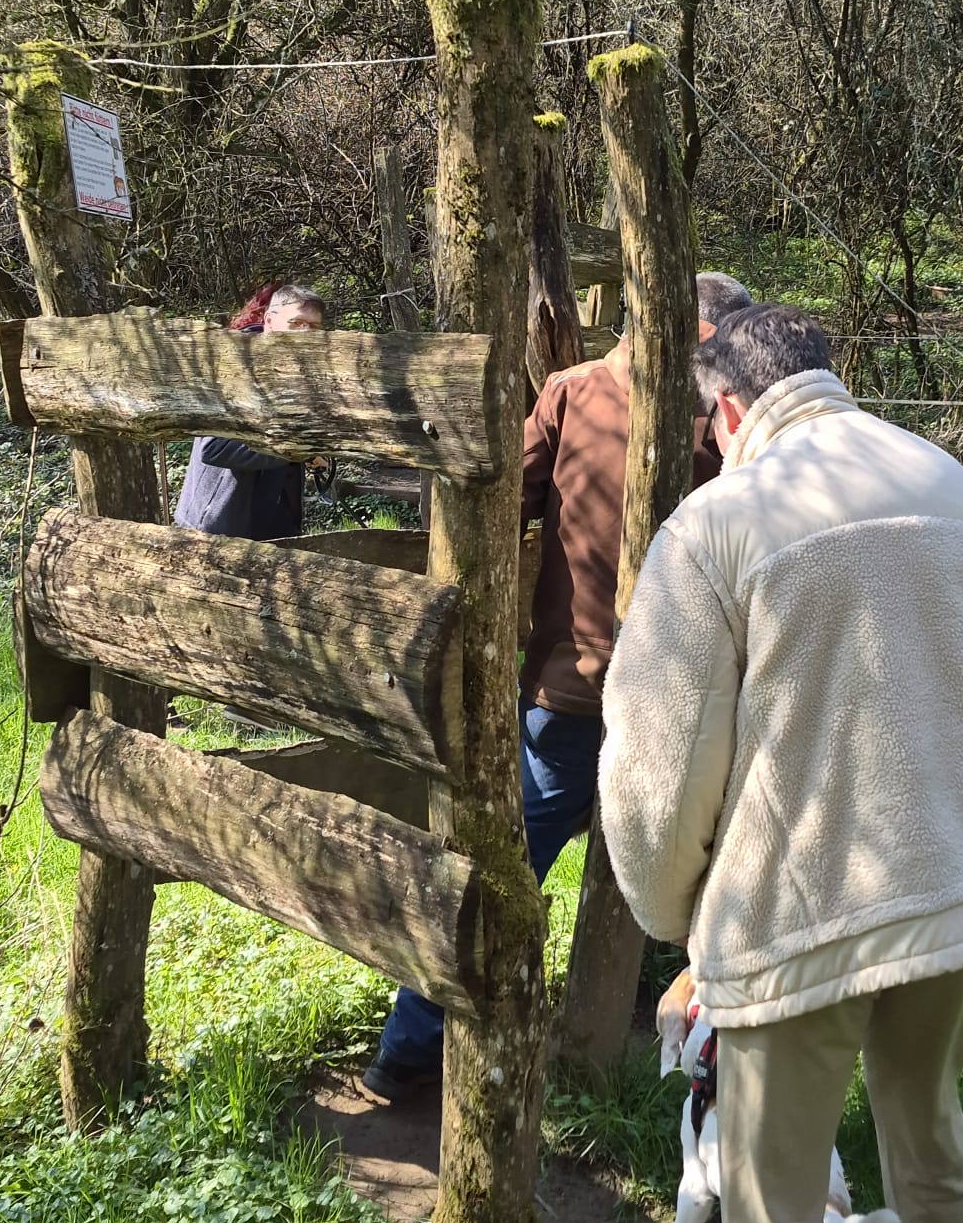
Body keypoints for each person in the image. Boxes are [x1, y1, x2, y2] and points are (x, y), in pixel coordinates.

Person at [598, 305, 963, 1223]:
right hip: (962, 880)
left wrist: (677, 916)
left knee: (775, 1201)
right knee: (932, 1139)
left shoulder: (718, 523)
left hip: (797, 904)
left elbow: (658, 771)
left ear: (729, 409)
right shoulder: (950, 483)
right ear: (824, 375)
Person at [361, 269, 755, 1104]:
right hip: (678, 698)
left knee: (498, 866)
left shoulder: (574, 391)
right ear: (708, 336)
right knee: (714, 852)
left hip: (569, 686)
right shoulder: (726, 422)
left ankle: (408, 1048)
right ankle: (708, 1044)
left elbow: (499, 502)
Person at [172, 283, 326, 540]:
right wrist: (294, 450)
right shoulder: (234, 366)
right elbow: (215, 448)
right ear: (269, 321)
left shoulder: (298, 372)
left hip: (274, 522)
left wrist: (307, 451)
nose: (305, 333)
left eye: (313, 326)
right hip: (217, 526)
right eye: (296, 323)